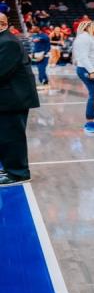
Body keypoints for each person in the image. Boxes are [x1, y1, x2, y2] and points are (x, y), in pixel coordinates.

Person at [0, 13, 40, 186]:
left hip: (13, 98)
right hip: (9, 97)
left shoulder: (8, 42)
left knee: (12, 136)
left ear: (2, 24)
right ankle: (10, 168)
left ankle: (18, 173)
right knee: (5, 136)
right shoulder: (4, 40)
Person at [72, 21, 94, 134]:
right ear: (89, 27)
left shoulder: (92, 37)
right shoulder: (83, 38)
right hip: (87, 70)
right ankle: (90, 122)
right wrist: (92, 71)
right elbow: (83, 57)